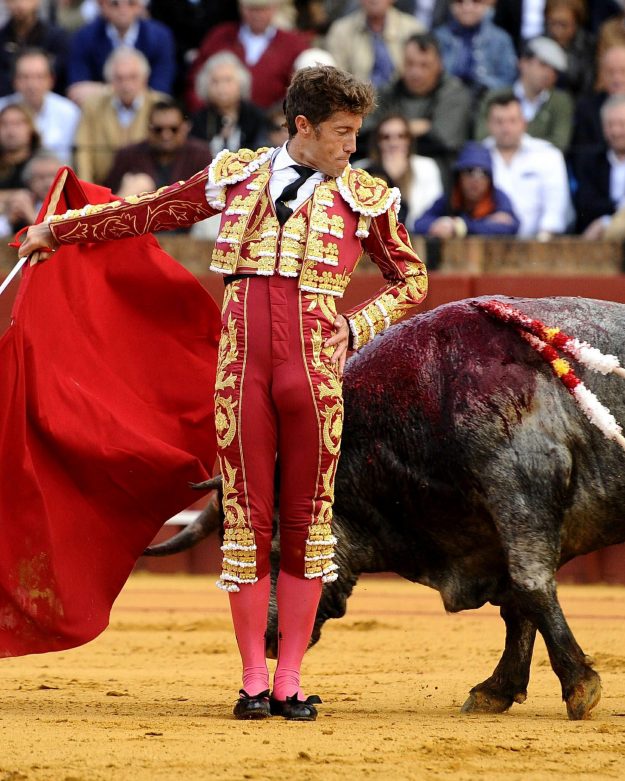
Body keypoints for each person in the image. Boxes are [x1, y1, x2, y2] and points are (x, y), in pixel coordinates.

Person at [18, 64, 428, 722]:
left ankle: (289, 677)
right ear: (303, 126)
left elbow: (410, 279)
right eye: (342, 133)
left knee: (305, 523)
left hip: (314, 375)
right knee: (246, 523)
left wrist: (355, 328)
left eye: (356, 133)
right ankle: (250, 681)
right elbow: (147, 212)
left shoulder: (367, 197)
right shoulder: (236, 175)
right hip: (243, 372)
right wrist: (58, 231)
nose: (352, 146)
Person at [369, 33, 472, 184]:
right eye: (410, 64)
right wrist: (418, 127)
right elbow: (366, 132)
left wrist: (393, 132)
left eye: (424, 65)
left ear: (439, 65)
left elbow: (443, 140)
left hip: (439, 173)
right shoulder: (389, 91)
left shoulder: (454, 93)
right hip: (385, 167)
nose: (415, 72)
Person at [185, 0, 311, 113]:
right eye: (251, 9)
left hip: (273, 126)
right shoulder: (219, 37)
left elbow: (301, 91)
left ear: (274, 9)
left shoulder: (294, 44)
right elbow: (194, 81)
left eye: (263, 9)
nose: (257, 15)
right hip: (217, 121)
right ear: (241, 8)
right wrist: (203, 114)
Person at [482, 92, 571, 238]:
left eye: (512, 121)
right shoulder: (477, 155)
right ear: (488, 125)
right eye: (499, 121)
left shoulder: (547, 155)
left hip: (539, 244)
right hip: (488, 242)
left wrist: (541, 246)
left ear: (524, 123)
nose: (505, 128)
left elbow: (555, 210)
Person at [73, 47, 168, 185]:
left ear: (145, 78)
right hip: (102, 186)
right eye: (119, 78)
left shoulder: (160, 105)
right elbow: (83, 151)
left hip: (150, 188)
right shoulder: (93, 105)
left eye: (133, 77)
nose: (126, 85)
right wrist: (86, 190)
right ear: (110, 80)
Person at [66, 0, 176, 106]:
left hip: (145, 114)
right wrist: (132, 90)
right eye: (115, 4)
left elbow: (160, 93)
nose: (123, 9)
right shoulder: (84, 36)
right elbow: (77, 91)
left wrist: (103, 90)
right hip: (100, 113)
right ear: (103, 6)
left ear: (140, 7)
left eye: (131, 3)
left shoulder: (160, 37)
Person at [475, 36, 573, 152]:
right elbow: (481, 137)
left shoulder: (560, 102)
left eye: (555, 71)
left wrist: (511, 140)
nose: (549, 73)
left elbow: (559, 144)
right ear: (523, 63)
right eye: (543, 65)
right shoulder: (496, 96)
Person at [104, 100, 212, 196]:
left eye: (173, 129)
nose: (166, 135)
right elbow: (110, 196)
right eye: (158, 130)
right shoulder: (128, 155)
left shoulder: (200, 155)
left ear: (185, 127)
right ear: (149, 129)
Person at [413, 140, 520, 236]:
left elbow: (510, 226)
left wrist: (461, 226)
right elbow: (419, 223)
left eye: (483, 173)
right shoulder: (452, 196)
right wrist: (441, 224)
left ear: (490, 179)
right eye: (469, 171)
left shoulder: (497, 197)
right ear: (459, 176)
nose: (476, 180)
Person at [361, 112, 443, 226]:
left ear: (409, 140)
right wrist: (388, 176)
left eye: (401, 136)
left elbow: (431, 212)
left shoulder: (427, 167)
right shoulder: (362, 169)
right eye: (386, 137)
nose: (393, 143)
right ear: (377, 142)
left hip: (416, 237)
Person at [323, 0, 424, 91]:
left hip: (403, 101)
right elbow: (335, 79)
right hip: (356, 102)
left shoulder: (413, 29)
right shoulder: (340, 31)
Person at [0, 48, 80, 163]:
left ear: (51, 80)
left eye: (39, 77)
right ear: (14, 80)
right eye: (25, 77)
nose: (32, 85)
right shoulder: (1, 108)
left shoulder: (69, 112)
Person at [433, 0, 517, 100]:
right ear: (451, 5)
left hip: (487, 101)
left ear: (486, 5)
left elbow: (509, 80)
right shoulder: (439, 38)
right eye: (460, 2)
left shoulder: (501, 40)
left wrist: (482, 82)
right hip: (447, 100)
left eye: (475, 2)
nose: (467, 8)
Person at [190, 52, 266, 157]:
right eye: (215, 81)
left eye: (228, 80)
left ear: (241, 82)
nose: (222, 88)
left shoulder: (256, 117)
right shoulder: (198, 120)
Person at [574, 94, 625, 236]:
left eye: (621, 124)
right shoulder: (591, 161)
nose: (616, 131)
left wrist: (606, 221)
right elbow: (587, 205)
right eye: (610, 125)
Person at [0, 0, 69, 97]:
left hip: (49, 101)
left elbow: (61, 76)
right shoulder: (2, 37)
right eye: (13, 0)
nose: (20, 4)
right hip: (8, 103)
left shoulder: (56, 37)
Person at [0, 148, 61, 234]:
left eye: (53, 176)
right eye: (41, 178)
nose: (48, 183)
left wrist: (29, 213)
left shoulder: (71, 203)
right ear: (29, 182)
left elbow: (57, 234)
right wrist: (9, 221)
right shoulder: (26, 201)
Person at [544, 0, 596, 98]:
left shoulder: (589, 47)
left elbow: (588, 88)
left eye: (563, 25)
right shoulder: (539, 44)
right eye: (552, 23)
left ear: (576, 23)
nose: (557, 31)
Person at [0, 102, 41, 211]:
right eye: (3, 124)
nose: (10, 130)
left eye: (17, 124)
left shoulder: (43, 159)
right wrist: (14, 196)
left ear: (31, 128)